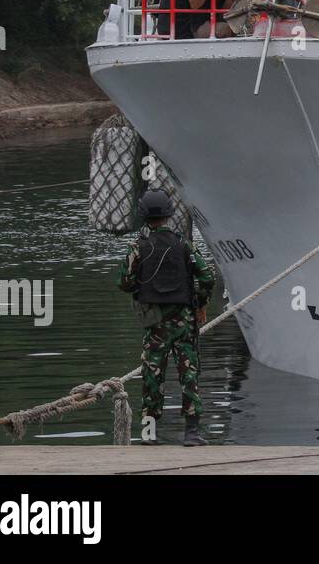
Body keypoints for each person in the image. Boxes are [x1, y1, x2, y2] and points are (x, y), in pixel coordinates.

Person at [117, 189, 215, 446]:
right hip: (184, 320)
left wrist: (141, 285)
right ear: (169, 214)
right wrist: (201, 303)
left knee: (152, 375)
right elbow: (207, 276)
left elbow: (124, 283)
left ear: (143, 216)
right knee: (189, 373)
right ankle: (192, 432)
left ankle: (149, 433)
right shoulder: (183, 244)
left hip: (155, 322)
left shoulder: (138, 247)